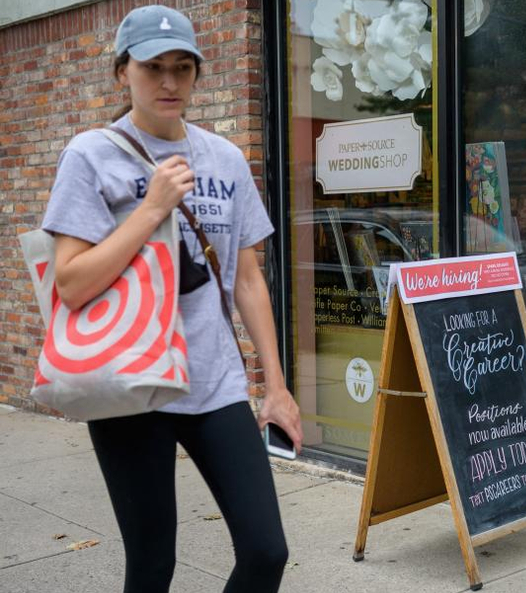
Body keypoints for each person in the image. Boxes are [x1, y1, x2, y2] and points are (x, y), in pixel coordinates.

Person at [41, 6, 302, 593]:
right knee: (153, 562)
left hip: (213, 382)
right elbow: (71, 282)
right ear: (122, 73)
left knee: (267, 551)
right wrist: (153, 208)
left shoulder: (225, 160)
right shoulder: (90, 156)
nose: (168, 82)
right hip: (129, 383)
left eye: (182, 69)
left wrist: (277, 388)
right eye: (153, 67)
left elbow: (247, 279)